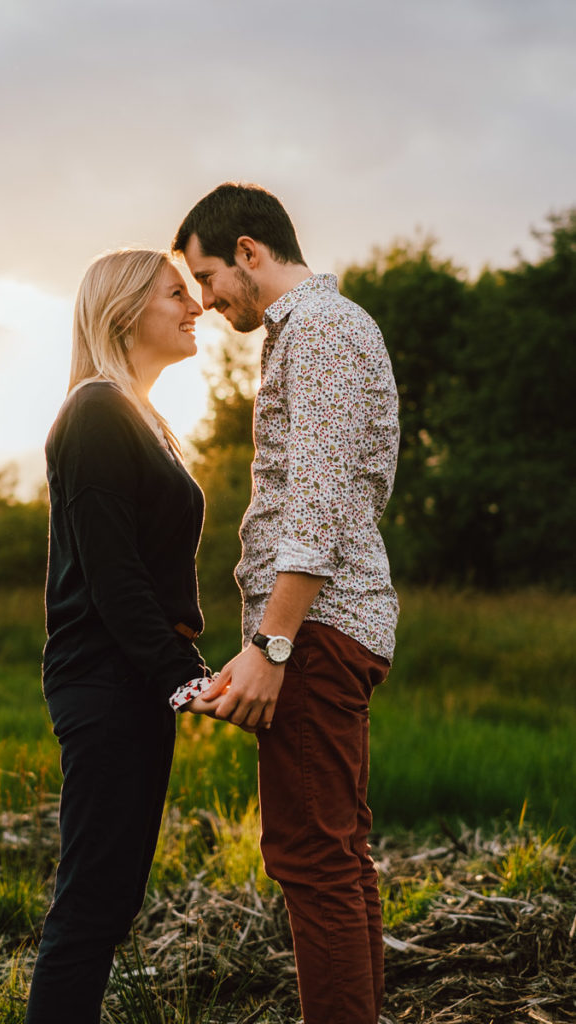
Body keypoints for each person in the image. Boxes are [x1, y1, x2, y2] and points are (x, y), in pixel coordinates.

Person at [173, 183, 400, 1024]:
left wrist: (272, 647)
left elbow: (318, 503)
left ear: (247, 249)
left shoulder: (327, 331)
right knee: (337, 856)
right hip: (320, 626)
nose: (204, 300)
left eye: (204, 277)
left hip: (316, 629)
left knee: (310, 858)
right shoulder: (304, 335)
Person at [25, 248, 210, 1024]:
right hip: (104, 682)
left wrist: (180, 670)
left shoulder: (142, 416)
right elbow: (113, 578)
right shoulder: (97, 410)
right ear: (125, 311)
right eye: (177, 293)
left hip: (133, 682)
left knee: (111, 900)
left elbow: (144, 572)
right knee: (92, 902)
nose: (195, 306)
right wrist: (186, 676)